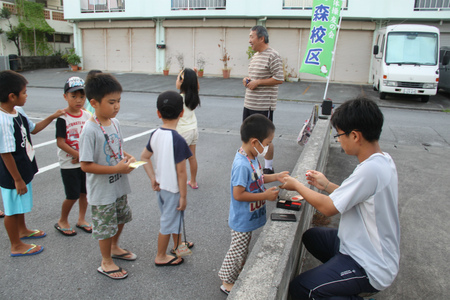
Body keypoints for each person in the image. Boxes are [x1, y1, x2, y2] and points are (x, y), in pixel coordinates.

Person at [282, 98, 400, 299]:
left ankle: (350, 287)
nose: (338, 139)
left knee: (302, 288)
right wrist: (326, 185)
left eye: (339, 134)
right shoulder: (382, 160)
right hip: (359, 245)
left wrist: (296, 185)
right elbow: (359, 196)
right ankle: (340, 281)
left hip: (370, 264)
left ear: (355, 136)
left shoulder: (369, 170)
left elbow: (328, 209)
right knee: (312, 237)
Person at [218, 114, 289, 295]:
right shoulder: (242, 164)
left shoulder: (251, 157)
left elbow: (259, 177)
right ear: (255, 142)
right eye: (267, 143)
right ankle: (227, 281)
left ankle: (237, 272)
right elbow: (238, 194)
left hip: (249, 217)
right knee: (237, 250)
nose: (268, 147)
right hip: (242, 218)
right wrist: (264, 196)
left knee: (243, 248)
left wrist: (276, 176)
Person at [0, 70, 65, 256]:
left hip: (22, 167)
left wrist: (53, 116)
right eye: (24, 92)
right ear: (12, 96)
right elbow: (5, 154)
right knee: (11, 209)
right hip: (12, 173)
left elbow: (34, 129)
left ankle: (22, 230)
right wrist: (17, 180)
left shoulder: (17, 111)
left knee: (20, 204)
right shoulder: (3, 120)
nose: (27, 95)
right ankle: (16, 245)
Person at [79, 73, 137, 280]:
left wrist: (128, 158)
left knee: (120, 217)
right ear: (94, 102)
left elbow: (118, 148)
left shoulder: (115, 123)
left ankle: (114, 247)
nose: (117, 106)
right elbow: (85, 165)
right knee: (105, 225)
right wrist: (116, 169)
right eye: (111, 102)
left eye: (119, 101)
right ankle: (105, 261)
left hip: (118, 184)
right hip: (102, 188)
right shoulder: (89, 130)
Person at [141, 90, 193, 267]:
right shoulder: (178, 139)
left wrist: (152, 177)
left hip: (162, 188)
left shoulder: (155, 134)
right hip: (173, 190)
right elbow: (181, 172)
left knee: (173, 218)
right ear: (182, 113)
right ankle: (160, 255)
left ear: (158, 113)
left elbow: (144, 157)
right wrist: (184, 196)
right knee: (167, 221)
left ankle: (178, 247)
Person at [243, 25, 284, 175]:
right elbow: (254, 77)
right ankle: (251, 165)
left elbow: (279, 78)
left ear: (261, 38)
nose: (249, 41)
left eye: (251, 37)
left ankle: (268, 167)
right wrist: (247, 80)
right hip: (249, 103)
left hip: (263, 105)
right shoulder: (255, 56)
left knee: (264, 139)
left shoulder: (273, 55)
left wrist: (258, 82)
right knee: (249, 137)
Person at [54, 76, 92, 236]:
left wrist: (83, 156)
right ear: (65, 96)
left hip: (83, 163)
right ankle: (62, 220)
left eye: (82, 96)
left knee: (85, 193)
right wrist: (78, 154)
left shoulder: (87, 115)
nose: (78, 100)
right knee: (72, 195)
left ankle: (81, 219)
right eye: (73, 96)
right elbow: (61, 142)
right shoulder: (62, 118)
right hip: (69, 164)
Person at [175, 68, 201, 189]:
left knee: (178, 160)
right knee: (192, 157)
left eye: (178, 78)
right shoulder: (194, 96)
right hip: (193, 130)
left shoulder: (178, 99)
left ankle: (178, 184)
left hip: (182, 132)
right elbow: (196, 86)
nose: (176, 80)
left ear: (182, 82)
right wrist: (194, 75)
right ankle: (193, 181)